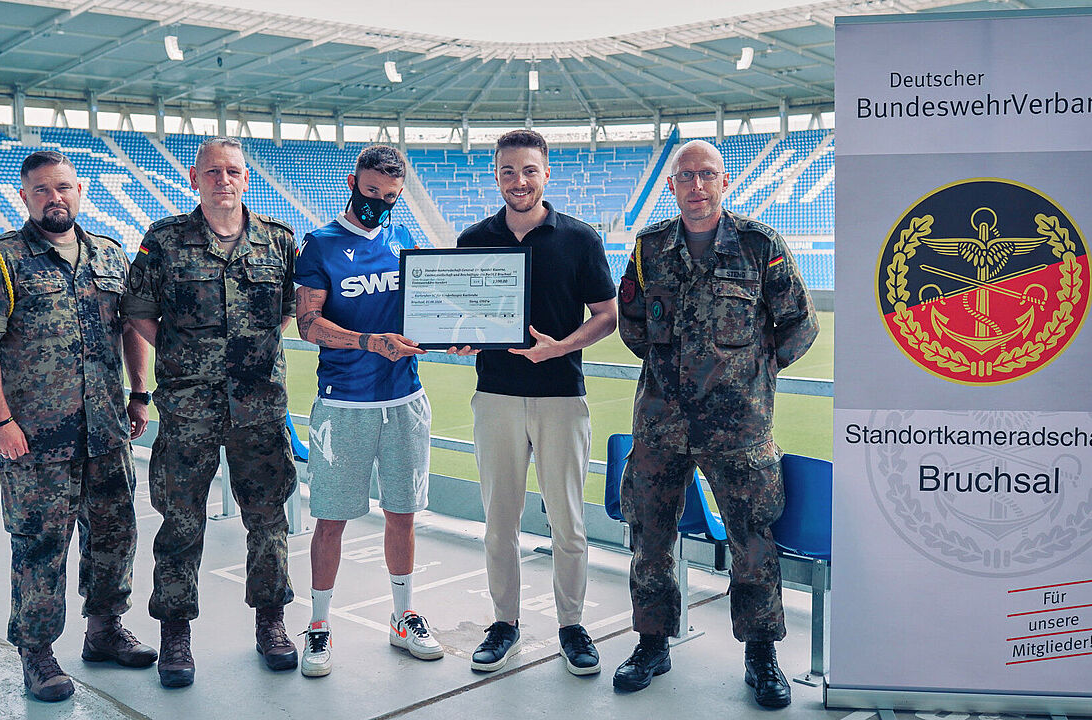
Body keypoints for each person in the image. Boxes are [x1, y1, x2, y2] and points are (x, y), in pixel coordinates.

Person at [611, 139, 818, 706]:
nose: (696, 186)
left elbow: (797, 327)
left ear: (724, 182)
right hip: (660, 424)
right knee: (649, 537)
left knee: (753, 543)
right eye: (685, 177)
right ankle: (651, 643)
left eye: (707, 175)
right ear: (672, 186)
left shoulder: (759, 245)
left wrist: (746, 375)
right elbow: (632, 325)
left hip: (740, 429)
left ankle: (761, 656)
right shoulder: (649, 248)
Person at [0, 150, 156, 702]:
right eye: (42, 189)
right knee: (40, 545)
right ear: (24, 196)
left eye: (63, 187)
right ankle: (37, 654)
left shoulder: (110, 255)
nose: (55, 198)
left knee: (114, 537)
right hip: (36, 440)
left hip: (107, 433)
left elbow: (132, 329)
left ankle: (105, 631)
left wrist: (139, 394)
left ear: (79, 190)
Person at [122, 137, 299, 687]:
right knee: (180, 523)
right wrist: (185, 354)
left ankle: (271, 622)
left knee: (268, 520)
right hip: (188, 408)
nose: (224, 179)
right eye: (212, 171)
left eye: (234, 171)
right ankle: (175, 632)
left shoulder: (279, 241)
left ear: (247, 179)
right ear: (194, 179)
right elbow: (140, 312)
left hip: (260, 408)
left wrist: (249, 356)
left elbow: (291, 311)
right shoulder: (165, 240)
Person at [451, 129, 618, 676]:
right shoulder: (473, 240)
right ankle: (505, 623)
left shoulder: (580, 239)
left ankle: (572, 625)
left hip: (561, 398)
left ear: (546, 174)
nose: (518, 182)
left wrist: (559, 349)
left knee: (567, 522)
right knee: (500, 520)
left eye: (528, 171)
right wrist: (460, 333)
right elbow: (463, 317)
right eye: (507, 172)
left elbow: (607, 315)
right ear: (495, 175)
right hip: (495, 394)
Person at [293, 145, 441, 678]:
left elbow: (430, 308)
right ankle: (318, 625)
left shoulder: (405, 239)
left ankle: (404, 615)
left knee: (403, 512)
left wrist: (459, 337)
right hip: (344, 404)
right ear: (353, 182)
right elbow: (307, 324)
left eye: (391, 196)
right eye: (372, 191)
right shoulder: (320, 245)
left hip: (405, 398)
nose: (379, 202)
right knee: (330, 519)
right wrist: (365, 341)